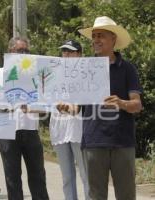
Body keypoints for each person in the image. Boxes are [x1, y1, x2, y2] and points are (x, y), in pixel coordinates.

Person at [78, 16, 143, 200]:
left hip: (122, 142)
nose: (96, 40)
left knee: (126, 195)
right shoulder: (83, 69)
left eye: (101, 35)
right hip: (94, 141)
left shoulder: (128, 69)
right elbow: (75, 107)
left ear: (113, 38)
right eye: (94, 36)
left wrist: (122, 103)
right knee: (96, 196)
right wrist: (60, 106)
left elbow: (137, 105)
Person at [0, 37, 49, 200]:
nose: (25, 54)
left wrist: (37, 108)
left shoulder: (36, 75)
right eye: (21, 51)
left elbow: (45, 108)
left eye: (27, 51)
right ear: (11, 51)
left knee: (38, 175)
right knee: (12, 177)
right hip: (7, 132)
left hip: (31, 130)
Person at [49, 40, 89, 200]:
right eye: (64, 51)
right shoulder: (53, 74)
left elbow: (78, 108)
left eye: (70, 51)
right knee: (66, 178)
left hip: (78, 130)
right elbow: (46, 101)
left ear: (79, 54)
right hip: (59, 131)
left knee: (86, 176)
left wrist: (64, 107)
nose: (65, 54)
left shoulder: (87, 74)